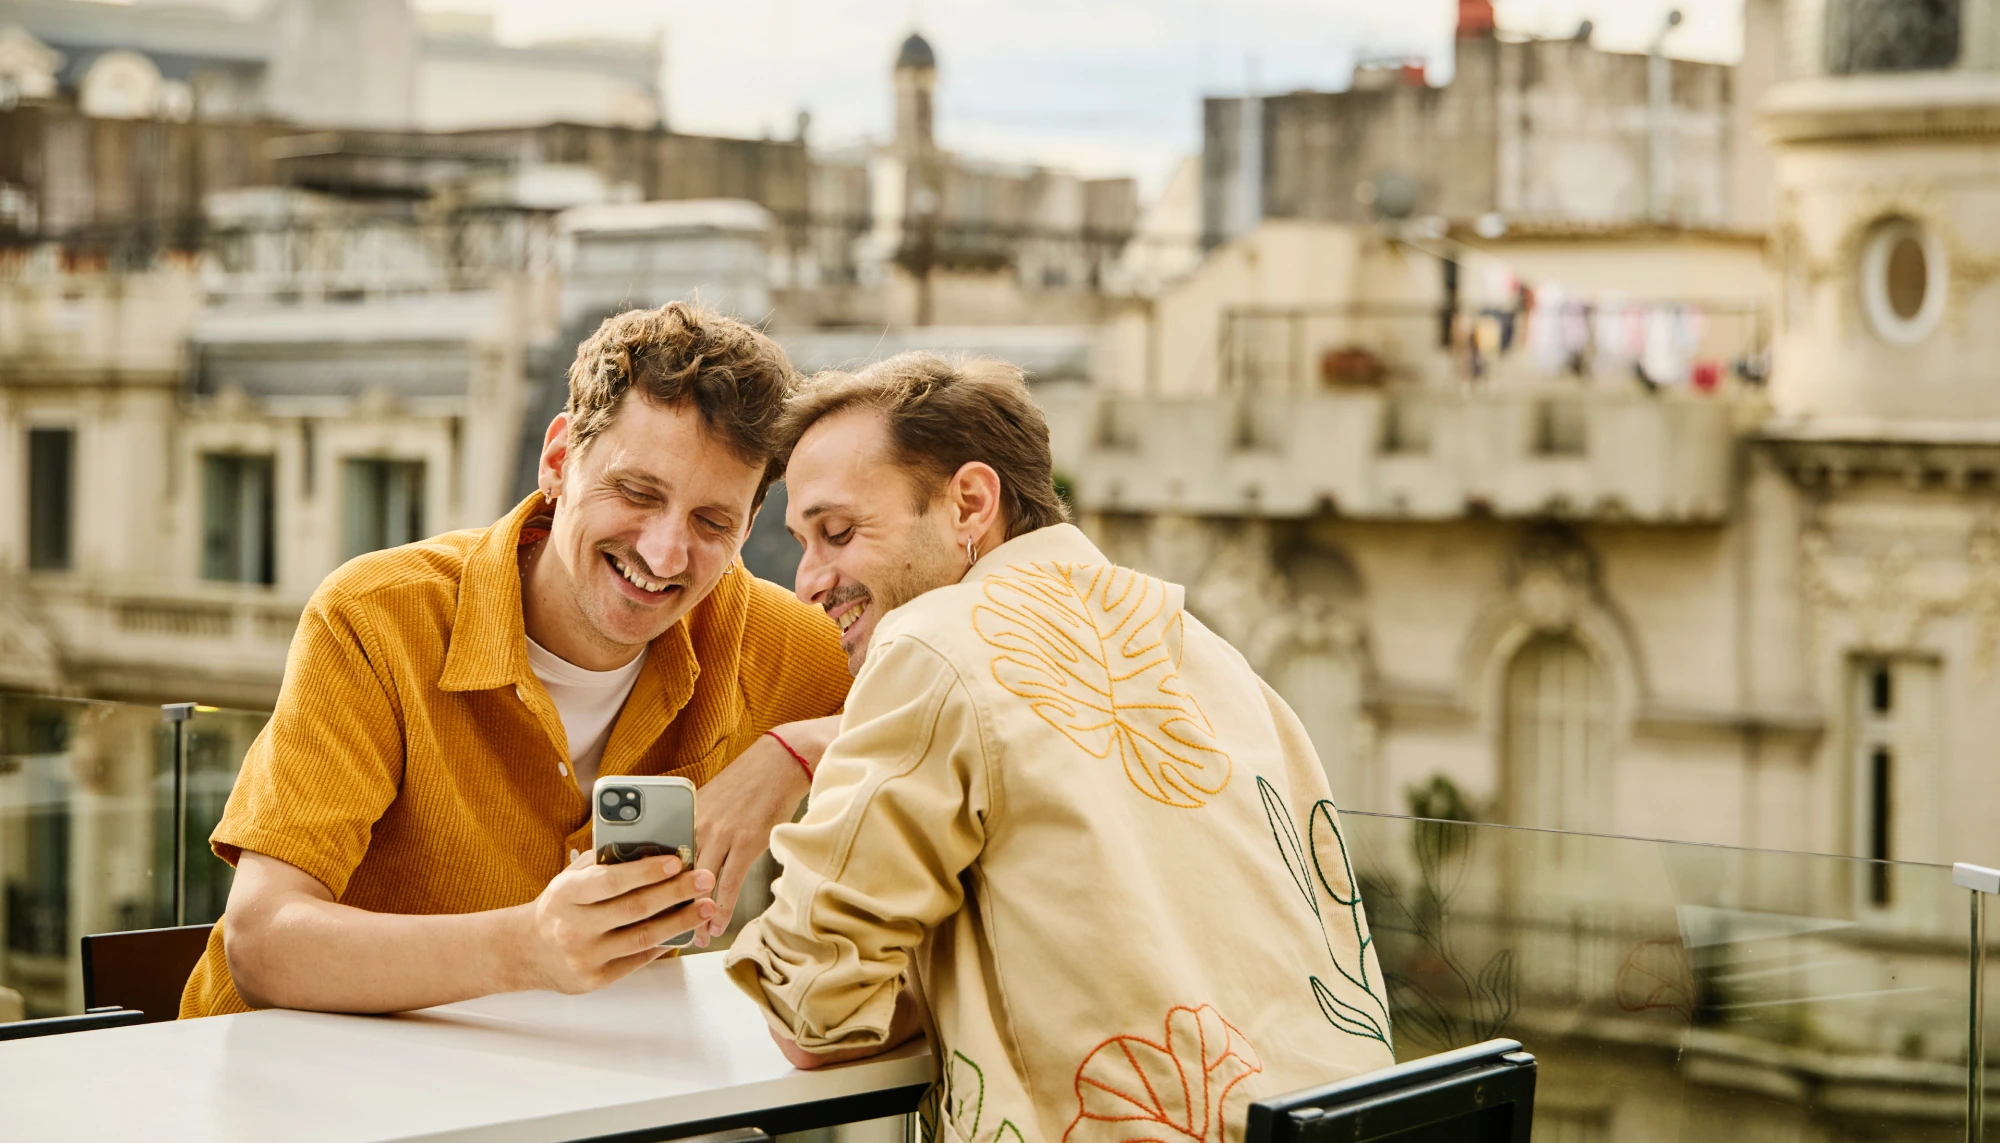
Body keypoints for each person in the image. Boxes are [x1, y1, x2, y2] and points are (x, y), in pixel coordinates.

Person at [726, 354, 1395, 1143]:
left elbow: (812, 1012)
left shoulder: (933, 646)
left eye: (838, 531)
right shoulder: (1206, 651)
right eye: (804, 540)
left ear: (970, 502)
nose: (808, 579)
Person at [180, 302, 852, 1018]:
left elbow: (977, 694)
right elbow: (263, 944)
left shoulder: (764, 635)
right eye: (635, 491)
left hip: (553, 1095)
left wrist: (796, 751)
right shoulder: (376, 616)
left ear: (749, 526)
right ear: (559, 460)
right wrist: (528, 947)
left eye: (712, 522)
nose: (664, 553)